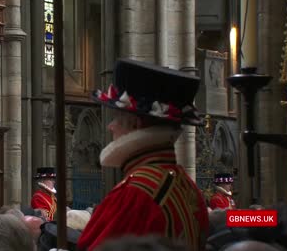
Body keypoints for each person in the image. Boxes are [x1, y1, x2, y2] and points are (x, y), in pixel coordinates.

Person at [77, 59, 209, 251]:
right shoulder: (189, 188)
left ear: (136, 124)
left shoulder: (134, 194)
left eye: (116, 119)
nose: (110, 126)